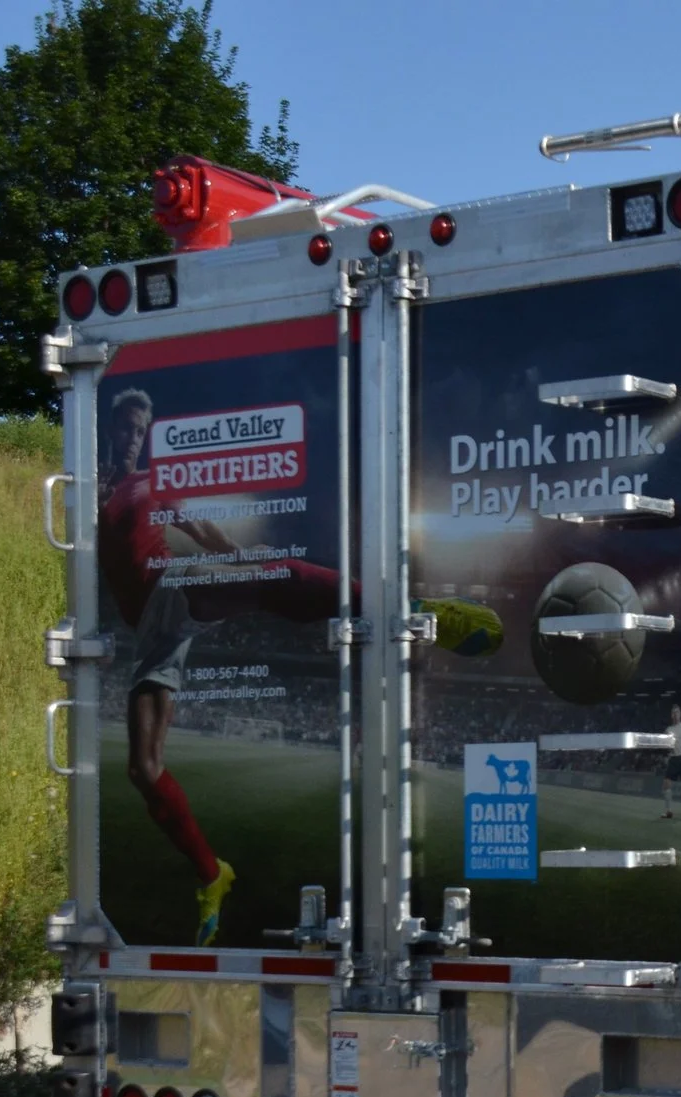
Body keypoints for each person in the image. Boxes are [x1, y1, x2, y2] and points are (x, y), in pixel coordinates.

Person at [98, 386, 502, 943]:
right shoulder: (86, 489)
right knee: (143, 769)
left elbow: (200, 531)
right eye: (126, 428)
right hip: (149, 630)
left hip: (172, 586)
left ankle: (409, 609)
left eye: (141, 431)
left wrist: (242, 569)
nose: (133, 439)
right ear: (109, 427)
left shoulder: (151, 485)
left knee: (265, 579)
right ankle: (213, 876)